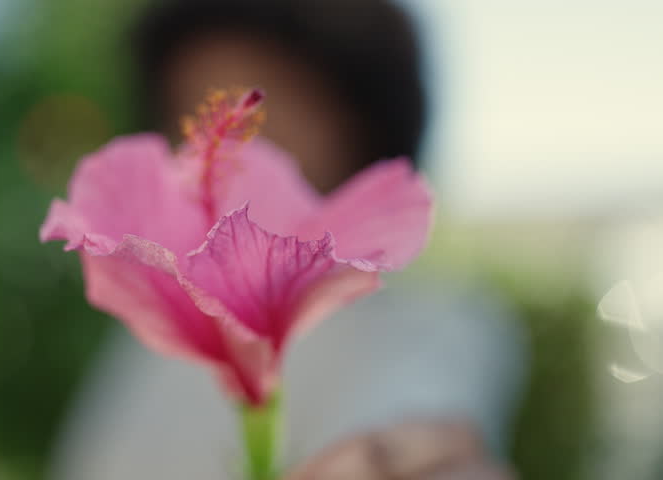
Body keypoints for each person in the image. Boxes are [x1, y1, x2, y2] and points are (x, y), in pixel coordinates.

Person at [50, 1, 526, 478]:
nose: (204, 155)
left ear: (350, 121)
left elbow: (415, 424)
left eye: (256, 108)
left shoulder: (436, 319)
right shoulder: (145, 348)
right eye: (183, 112)